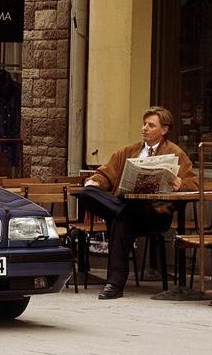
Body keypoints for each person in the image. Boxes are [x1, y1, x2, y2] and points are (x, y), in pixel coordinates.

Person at [84, 106, 197, 300]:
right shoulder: (129, 151)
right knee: (89, 194)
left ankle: (114, 284)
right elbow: (106, 172)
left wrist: (181, 184)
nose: (144, 128)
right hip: (128, 209)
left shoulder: (175, 153)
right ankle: (114, 284)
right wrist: (96, 181)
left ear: (164, 130)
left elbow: (194, 182)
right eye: (144, 124)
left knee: (120, 218)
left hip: (154, 213)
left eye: (151, 125)